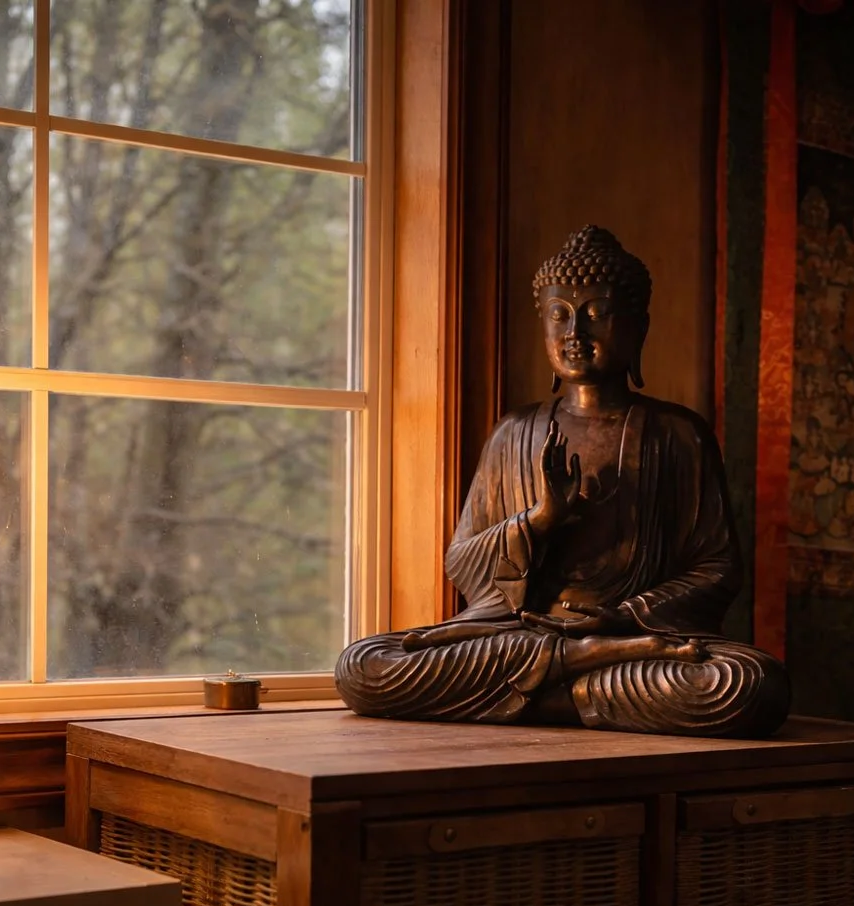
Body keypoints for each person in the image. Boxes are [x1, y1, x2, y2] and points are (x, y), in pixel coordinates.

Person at [334, 226, 790, 738]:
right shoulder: (514, 433)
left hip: (629, 642)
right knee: (363, 666)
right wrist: (540, 520)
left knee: (747, 683)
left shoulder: (677, 435)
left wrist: (622, 616)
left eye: (596, 314)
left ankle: (541, 688)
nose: (576, 332)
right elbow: (462, 562)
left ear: (638, 328)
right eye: (559, 315)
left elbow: (716, 568)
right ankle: (570, 672)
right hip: (521, 637)